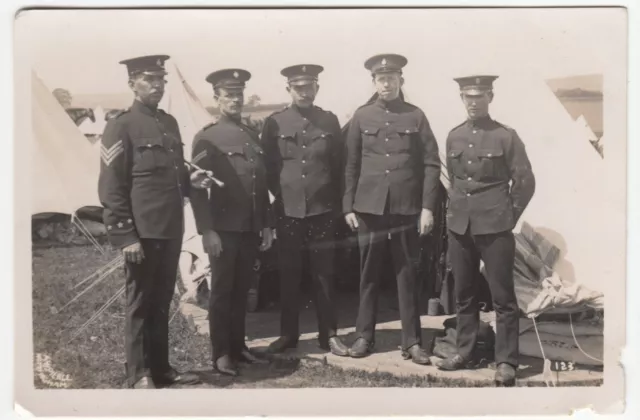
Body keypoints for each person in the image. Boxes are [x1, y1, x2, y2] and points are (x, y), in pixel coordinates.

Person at [98, 54, 206, 389]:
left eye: (161, 80)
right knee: (141, 302)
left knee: (161, 301)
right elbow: (111, 186)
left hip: (171, 228)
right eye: (149, 80)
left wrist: (193, 182)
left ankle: (161, 368)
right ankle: (139, 373)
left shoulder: (169, 123)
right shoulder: (121, 125)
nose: (157, 86)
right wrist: (125, 235)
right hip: (141, 233)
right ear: (132, 84)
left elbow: (169, 177)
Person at [435, 75, 536, 387]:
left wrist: (507, 216)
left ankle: (506, 361)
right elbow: (453, 182)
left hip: (495, 226)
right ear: (462, 98)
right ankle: (464, 351)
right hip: (460, 226)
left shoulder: (506, 137)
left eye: (479, 96)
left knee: (502, 297)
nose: (473, 102)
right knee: (464, 293)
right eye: (468, 96)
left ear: (490, 96)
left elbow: (525, 182)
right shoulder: (453, 136)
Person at [343, 54, 441, 364]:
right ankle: (363, 336)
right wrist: (348, 206)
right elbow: (351, 164)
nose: (386, 83)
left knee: (406, 273)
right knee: (368, 273)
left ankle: (412, 341)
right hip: (370, 207)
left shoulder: (416, 116)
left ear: (401, 81)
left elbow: (431, 163)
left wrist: (427, 207)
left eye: (391, 78)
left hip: (405, 208)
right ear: (373, 82)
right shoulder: (362, 116)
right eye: (381, 78)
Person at [189, 68, 274, 376]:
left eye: (239, 95)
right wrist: (207, 230)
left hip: (250, 227)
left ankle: (239, 347)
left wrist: (265, 224)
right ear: (217, 98)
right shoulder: (207, 137)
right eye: (228, 95)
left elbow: (259, 185)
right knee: (223, 291)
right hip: (223, 230)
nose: (235, 100)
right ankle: (221, 353)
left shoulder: (252, 134)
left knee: (242, 289)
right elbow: (197, 190)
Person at [260, 64, 349, 356]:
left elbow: (338, 166)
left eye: (309, 87)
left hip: (322, 211)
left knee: (325, 274)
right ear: (289, 90)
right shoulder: (275, 122)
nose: (305, 92)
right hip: (289, 211)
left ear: (317, 88)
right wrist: (284, 196)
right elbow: (269, 168)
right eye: (299, 88)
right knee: (289, 274)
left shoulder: (329, 121)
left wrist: (331, 201)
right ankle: (289, 335)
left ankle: (330, 335)